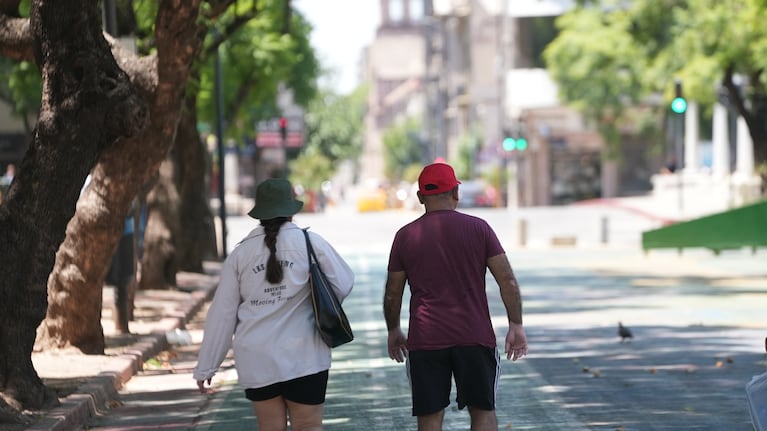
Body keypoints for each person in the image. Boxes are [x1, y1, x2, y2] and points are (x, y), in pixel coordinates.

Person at [194, 178, 354, 431]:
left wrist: (207, 366)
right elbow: (343, 283)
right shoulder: (310, 243)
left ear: (259, 213)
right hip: (305, 356)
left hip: (257, 360)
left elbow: (222, 314)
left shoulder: (240, 254)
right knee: (308, 426)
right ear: (291, 210)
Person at [383, 162, 528, 431]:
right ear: (455, 194)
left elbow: (393, 293)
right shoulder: (479, 229)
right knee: (483, 411)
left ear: (420, 197)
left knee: (429, 416)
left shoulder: (405, 237)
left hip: (426, 341)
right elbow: (506, 280)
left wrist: (393, 330)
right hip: (474, 336)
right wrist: (515, 325)